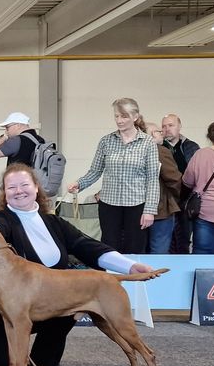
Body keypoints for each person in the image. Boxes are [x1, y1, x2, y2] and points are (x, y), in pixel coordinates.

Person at [0, 163, 155, 366]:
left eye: (24, 184)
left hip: (45, 306)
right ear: (5, 193)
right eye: (11, 187)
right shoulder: (0, 221)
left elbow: (86, 245)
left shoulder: (54, 222)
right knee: (1, 364)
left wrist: (130, 266)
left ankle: (44, 358)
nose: (19, 191)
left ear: (36, 187)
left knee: (67, 300)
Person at [68, 98, 159, 254]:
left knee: (135, 248)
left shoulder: (148, 143)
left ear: (135, 117)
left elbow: (152, 179)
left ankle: (135, 271)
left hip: (136, 204)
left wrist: (149, 210)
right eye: (116, 116)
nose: (119, 120)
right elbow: (95, 171)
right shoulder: (106, 141)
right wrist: (79, 183)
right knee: (109, 247)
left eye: (124, 116)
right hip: (109, 204)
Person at [163, 114, 201, 254]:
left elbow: (198, 173)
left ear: (179, 126)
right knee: (165, 241)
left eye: (171, 125)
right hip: (165, 201)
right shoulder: (157, 147)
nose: (167, 129)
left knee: (184, 239)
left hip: (185, 201)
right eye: (164, 126)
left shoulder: (191, 147)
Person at [182, 121, 214, 254]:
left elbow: (187, 181)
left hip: (205, 211)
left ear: (209, 136)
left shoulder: (200, 154)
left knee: (203, 255)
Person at [145, 122, 181, 254]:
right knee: (159, 250)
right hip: (161, 208)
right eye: (158, 131)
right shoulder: (160, 151)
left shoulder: (132, 152)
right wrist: (176, 197)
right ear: (150, 135)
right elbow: (174, 179)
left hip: (137, 208)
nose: (162, 134)